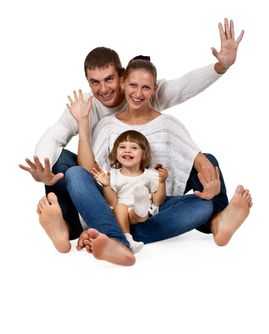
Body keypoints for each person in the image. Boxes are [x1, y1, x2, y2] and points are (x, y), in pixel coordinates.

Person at [20, 19, 248, 264]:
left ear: (122, 77)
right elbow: (73, 152)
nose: (104, 89)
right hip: (110, 193)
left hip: (151, 199)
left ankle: (111, 234)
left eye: (109, 80)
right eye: (95, 82)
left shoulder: (165, 120)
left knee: (204, 197)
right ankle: (84, 230)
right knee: (69, 168)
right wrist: (46, 164)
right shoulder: (94, 114)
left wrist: (220, 67)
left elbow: (183, 88)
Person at [59, 57, 251, 265]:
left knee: (203, 204)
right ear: (123, 84)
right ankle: (118, 239)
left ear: (154, 89)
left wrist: (212, 186)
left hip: (154, 208)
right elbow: (89, 172)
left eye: (145, 87)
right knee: (75, 174)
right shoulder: (107, 125)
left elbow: (200, 159)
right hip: (115, 205)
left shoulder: (168, 124)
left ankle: (216, 222)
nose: (138, 93)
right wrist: (83, 123)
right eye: (133, 85)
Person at [79, 128, 168, 254]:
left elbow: (158, 201)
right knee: (120, 207)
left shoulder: (150, 175)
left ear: (144, 154)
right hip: (120, 214)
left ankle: (140, 204)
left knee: (140, 210)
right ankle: (128, 239)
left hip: (140, 215)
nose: (127, 150)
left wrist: (162, 182)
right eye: (122, 147)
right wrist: (106, 185)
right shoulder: (114, 175)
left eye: (134, 148)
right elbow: (113, 202)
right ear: (116, 153)